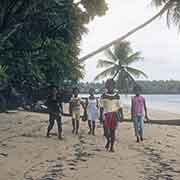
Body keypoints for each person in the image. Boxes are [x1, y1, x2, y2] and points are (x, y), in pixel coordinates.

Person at [100, 79, 124, 152]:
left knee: (112, 131)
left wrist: (122, 115)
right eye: (109, 85)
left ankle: (112, 147)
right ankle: (108, 140)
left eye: (112, 85)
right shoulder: (103, 95)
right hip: (106, 115)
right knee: (106, 133)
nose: (110, 86)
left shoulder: (117, 96)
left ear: (114, 86)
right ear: (106, 86)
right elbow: (101, 107)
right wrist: (100, 116)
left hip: (114, 115)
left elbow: (120, 107)